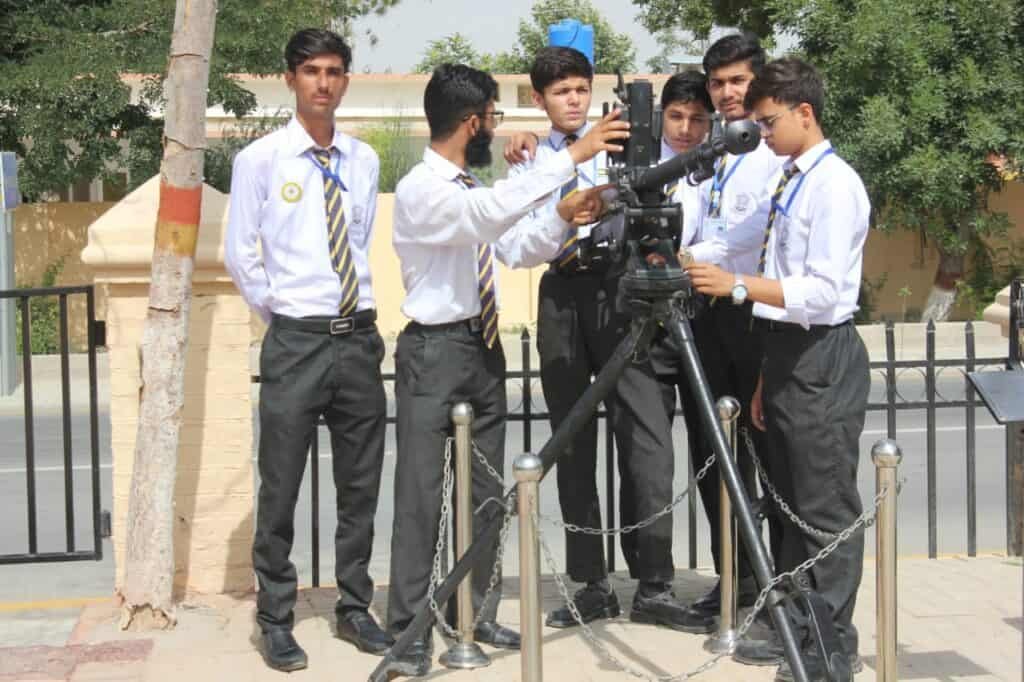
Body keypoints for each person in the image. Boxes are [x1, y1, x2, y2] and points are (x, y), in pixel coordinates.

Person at [385, 62, 627, 677]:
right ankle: (409, 629)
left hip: (480, 347)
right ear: (472, 122)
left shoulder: (469, 186)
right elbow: (488, 219)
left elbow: (514, 247)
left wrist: (564, 215)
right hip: (433, 351)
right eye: (493, 116)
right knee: (420, 494)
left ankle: (476, 609)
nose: (496, 126)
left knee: (485, 491)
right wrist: (572, 153)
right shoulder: (424, 188)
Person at [505, 46, 704, 634]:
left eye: (580, 88)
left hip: (625, 293)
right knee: (571, 442)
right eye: (560, 91)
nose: (573, 100)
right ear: (539, 99)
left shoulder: (627, 144)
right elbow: (518, 250)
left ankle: (654, 582)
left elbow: (678, 166)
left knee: (646, 438)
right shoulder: (529, 161)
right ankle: (589, 583)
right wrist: (565, 210)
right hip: (563, 296)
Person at [686, 56, 871, 680]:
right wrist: (766, 376)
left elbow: (821, 294)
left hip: (823, 353)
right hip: (787, 352)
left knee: (823, 513)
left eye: (769, 123)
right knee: (788, 503)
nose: (761, 134)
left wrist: (736, 286)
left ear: (804, 114)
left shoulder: (833, 184)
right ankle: (798, 628)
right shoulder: (792, 179)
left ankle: (830, 648)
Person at [224, 28, 391, 672]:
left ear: (346, 80)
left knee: (360, 483)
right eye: (312, 71)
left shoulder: (364, 158)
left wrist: (339, 316)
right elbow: (244, 255)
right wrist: (289, 316)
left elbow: (359, 239)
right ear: (291, 79)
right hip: (296, 340)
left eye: (335, 71)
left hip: (357, 337)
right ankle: (276, 618)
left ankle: (354, 607)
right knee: (282, 483)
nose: (324, 82)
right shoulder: (262, 160)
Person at [681, 33, 786, 630]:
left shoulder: (773, 153)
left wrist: (690, 255)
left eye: (737, 82)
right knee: (712, 451)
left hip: (754, 309)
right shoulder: (713, 151)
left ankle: (782, 585)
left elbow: (747, 238)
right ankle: (736, 578)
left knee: (766, 449)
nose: (726, 94)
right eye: (718, 83)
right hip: (707, 311)